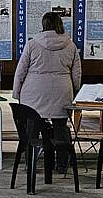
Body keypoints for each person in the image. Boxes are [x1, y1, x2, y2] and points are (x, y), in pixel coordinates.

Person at [12, 12, 82, 172]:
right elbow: (76, 74)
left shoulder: (32, 44)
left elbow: (21, 70)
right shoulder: (71, 45)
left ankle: (31, 162)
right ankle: (62, 164)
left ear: (43, 25)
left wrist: (17, 93)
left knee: (33, 128)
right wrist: (75, 91)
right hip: (61, 90)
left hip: (34, 92)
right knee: (60, 129)